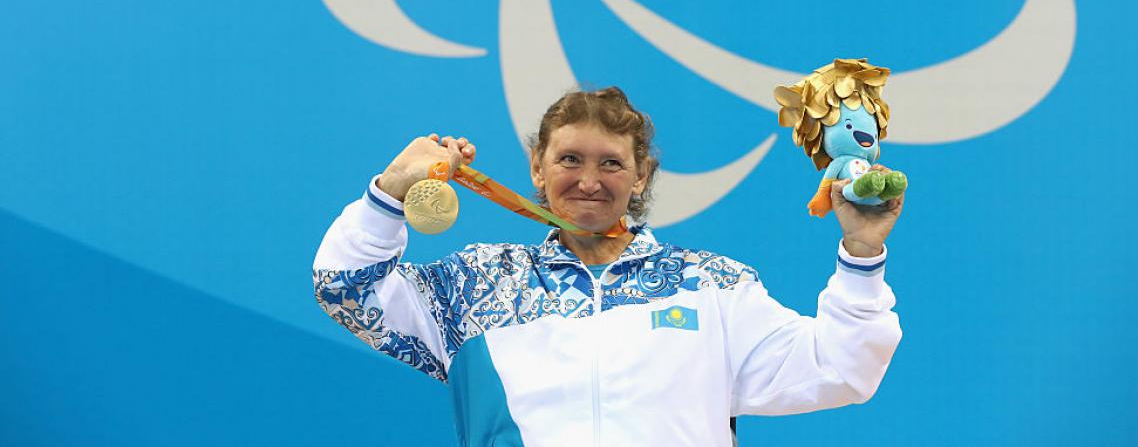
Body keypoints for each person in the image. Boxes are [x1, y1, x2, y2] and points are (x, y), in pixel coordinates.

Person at [313, 87, 903, 446]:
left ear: (641, 174)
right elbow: (345, 288)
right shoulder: (474, 286)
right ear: (537, 170)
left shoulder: (711, 286)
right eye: (568, 159)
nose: (589, 181)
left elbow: (841, 367)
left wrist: (861, 255)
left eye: (612, 164)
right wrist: (388, 192)